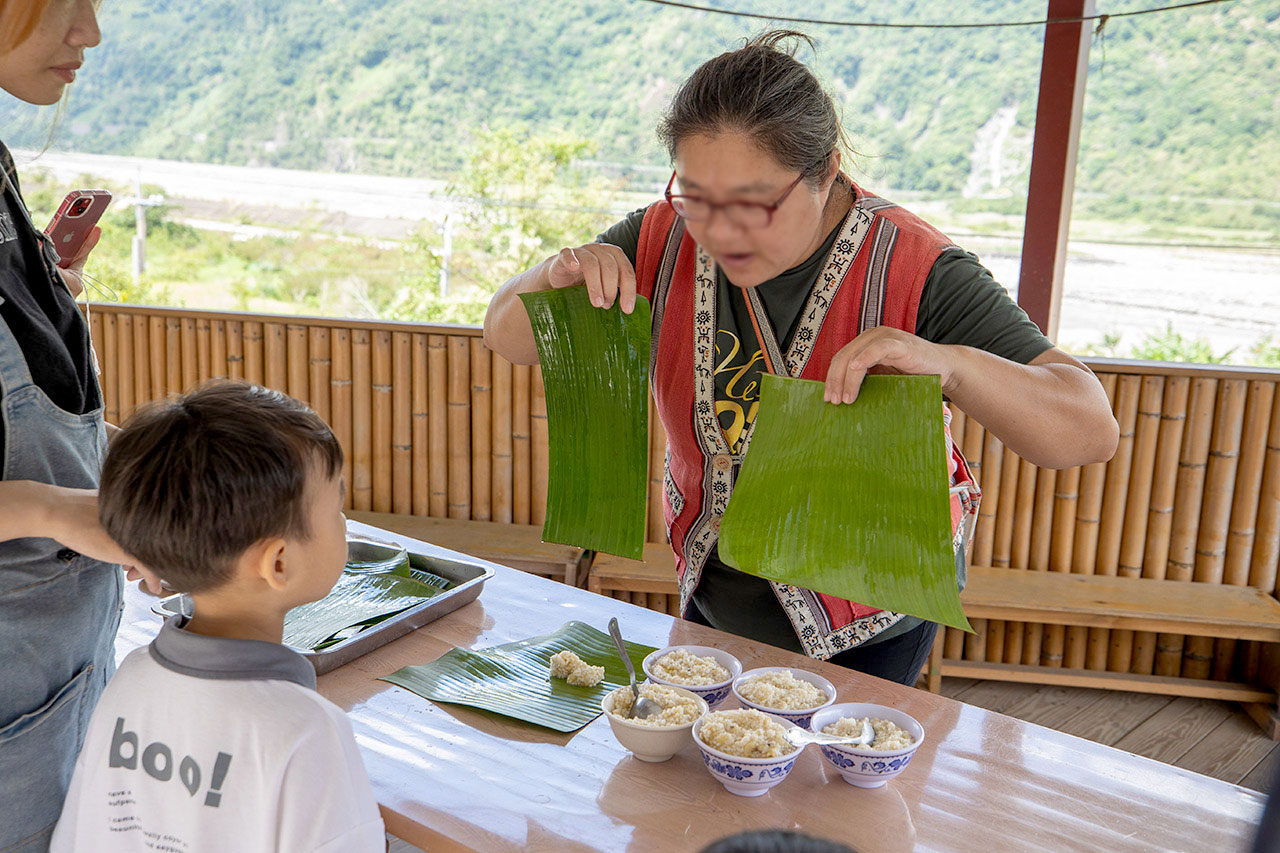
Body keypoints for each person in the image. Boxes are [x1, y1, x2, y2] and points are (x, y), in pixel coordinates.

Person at [483, 30, 1118, 685]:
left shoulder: (914, 268)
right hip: (715, 587)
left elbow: (1088, 428)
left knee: (827, 783)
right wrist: (554, 275)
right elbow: (505, 334)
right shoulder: (659, 237)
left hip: (869, 613)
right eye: (695, 198)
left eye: (754, 205)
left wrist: (951, 363)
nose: (719, 232)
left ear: (826, 171)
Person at [51, 382, 386, 852]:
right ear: (279, 563)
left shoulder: (131, 679)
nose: (345, 524)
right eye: (337, 509)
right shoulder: (307, 730)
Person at [0, 2, 158, 850]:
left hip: (55, 679)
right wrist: (65, 514)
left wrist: (42, 284)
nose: (88, 33)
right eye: (61, 3)